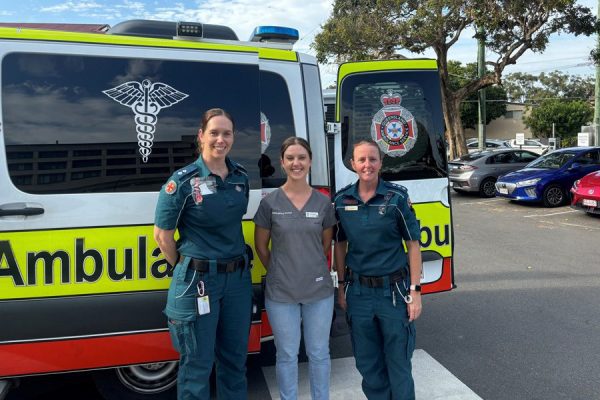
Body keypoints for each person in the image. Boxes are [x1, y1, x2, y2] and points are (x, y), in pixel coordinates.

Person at [154, 108, 252, 400]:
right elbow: (162, 236)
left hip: (236, 282)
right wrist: (190, 265)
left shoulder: (240, 177)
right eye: (214, 132)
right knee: (196, 366)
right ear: (201, 136)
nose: (220, 139)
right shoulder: (182, 182)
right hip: (199, 282)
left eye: (227, 133)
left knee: (235, 363)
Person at [334, 139, 423, 400]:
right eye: (361, 159)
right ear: (352, 164)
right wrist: (341, 286)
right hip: (358, 293)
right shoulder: (342, 200)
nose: (367, 164)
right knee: (368, 364)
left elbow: (413, 245)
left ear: (381, 163)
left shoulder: (397, 198)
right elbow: (339, 245)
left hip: (393, 293)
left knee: (398, 364)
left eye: (372, 159)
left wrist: (415, 291)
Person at [254, 137, 336, 400]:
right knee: (287, 354)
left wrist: (305, 266)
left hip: (319, 292)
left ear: (310, 162)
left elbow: (325, 245)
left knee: (319, 353)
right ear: (282, 162)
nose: (296, 163)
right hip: (281, 294)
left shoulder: (323, 203)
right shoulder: (270, 203)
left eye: (301, 157)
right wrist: (280, 270)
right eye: (290, 158)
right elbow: (261, 246)